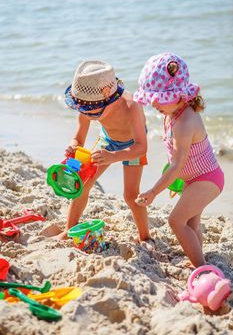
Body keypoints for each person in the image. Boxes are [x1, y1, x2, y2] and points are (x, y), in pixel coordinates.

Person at [134, 53, 224, 267]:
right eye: (152, 97)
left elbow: (178, 163)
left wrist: (154, 191)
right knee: (191, 225)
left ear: (179, 95)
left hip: (206, 180)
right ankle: (197, 256)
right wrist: (179, 181)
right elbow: (176, 160)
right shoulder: (172, 113)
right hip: (193, 179)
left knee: (176, 221)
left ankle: (202, 267)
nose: (153, 102)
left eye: (159, 98)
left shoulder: (185, 122)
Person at [56, 60, 150, 242]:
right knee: (82, 185)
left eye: (91, 110)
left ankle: (145, 237)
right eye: (84, 109)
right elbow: (79, 137)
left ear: (108, 96)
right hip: (107, 140)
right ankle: (70, 229)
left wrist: (112, 157)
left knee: (130, 195)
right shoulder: (86, 102)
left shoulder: (131, 106)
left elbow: (141, 147)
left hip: (132, 146)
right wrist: (73, 146)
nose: (86, 113)